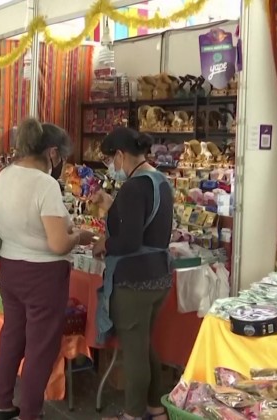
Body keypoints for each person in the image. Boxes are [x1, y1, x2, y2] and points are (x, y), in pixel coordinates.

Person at [0, 118, 94, 420]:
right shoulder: (45, 184)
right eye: (62, 156)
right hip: (43, 276)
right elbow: (59, 244)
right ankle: (30, 413)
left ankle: (2, 404)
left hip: (10, 267)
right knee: (40, 347)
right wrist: (80, 236)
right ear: (52, 153)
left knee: (12, 336)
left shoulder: (5, 174)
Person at [90, 127, 174, 420]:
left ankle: (132, 413)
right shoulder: (160, 181)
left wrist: (104, 244)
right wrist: (112, 206)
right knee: (144, 345)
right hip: (159, 276)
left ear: (120, 155)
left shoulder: (133, 188)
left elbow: (128, 241)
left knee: (134, 352)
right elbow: (146, 226)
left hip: (134, 282)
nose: (111, 167)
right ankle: (156, 408)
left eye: (109, 160)